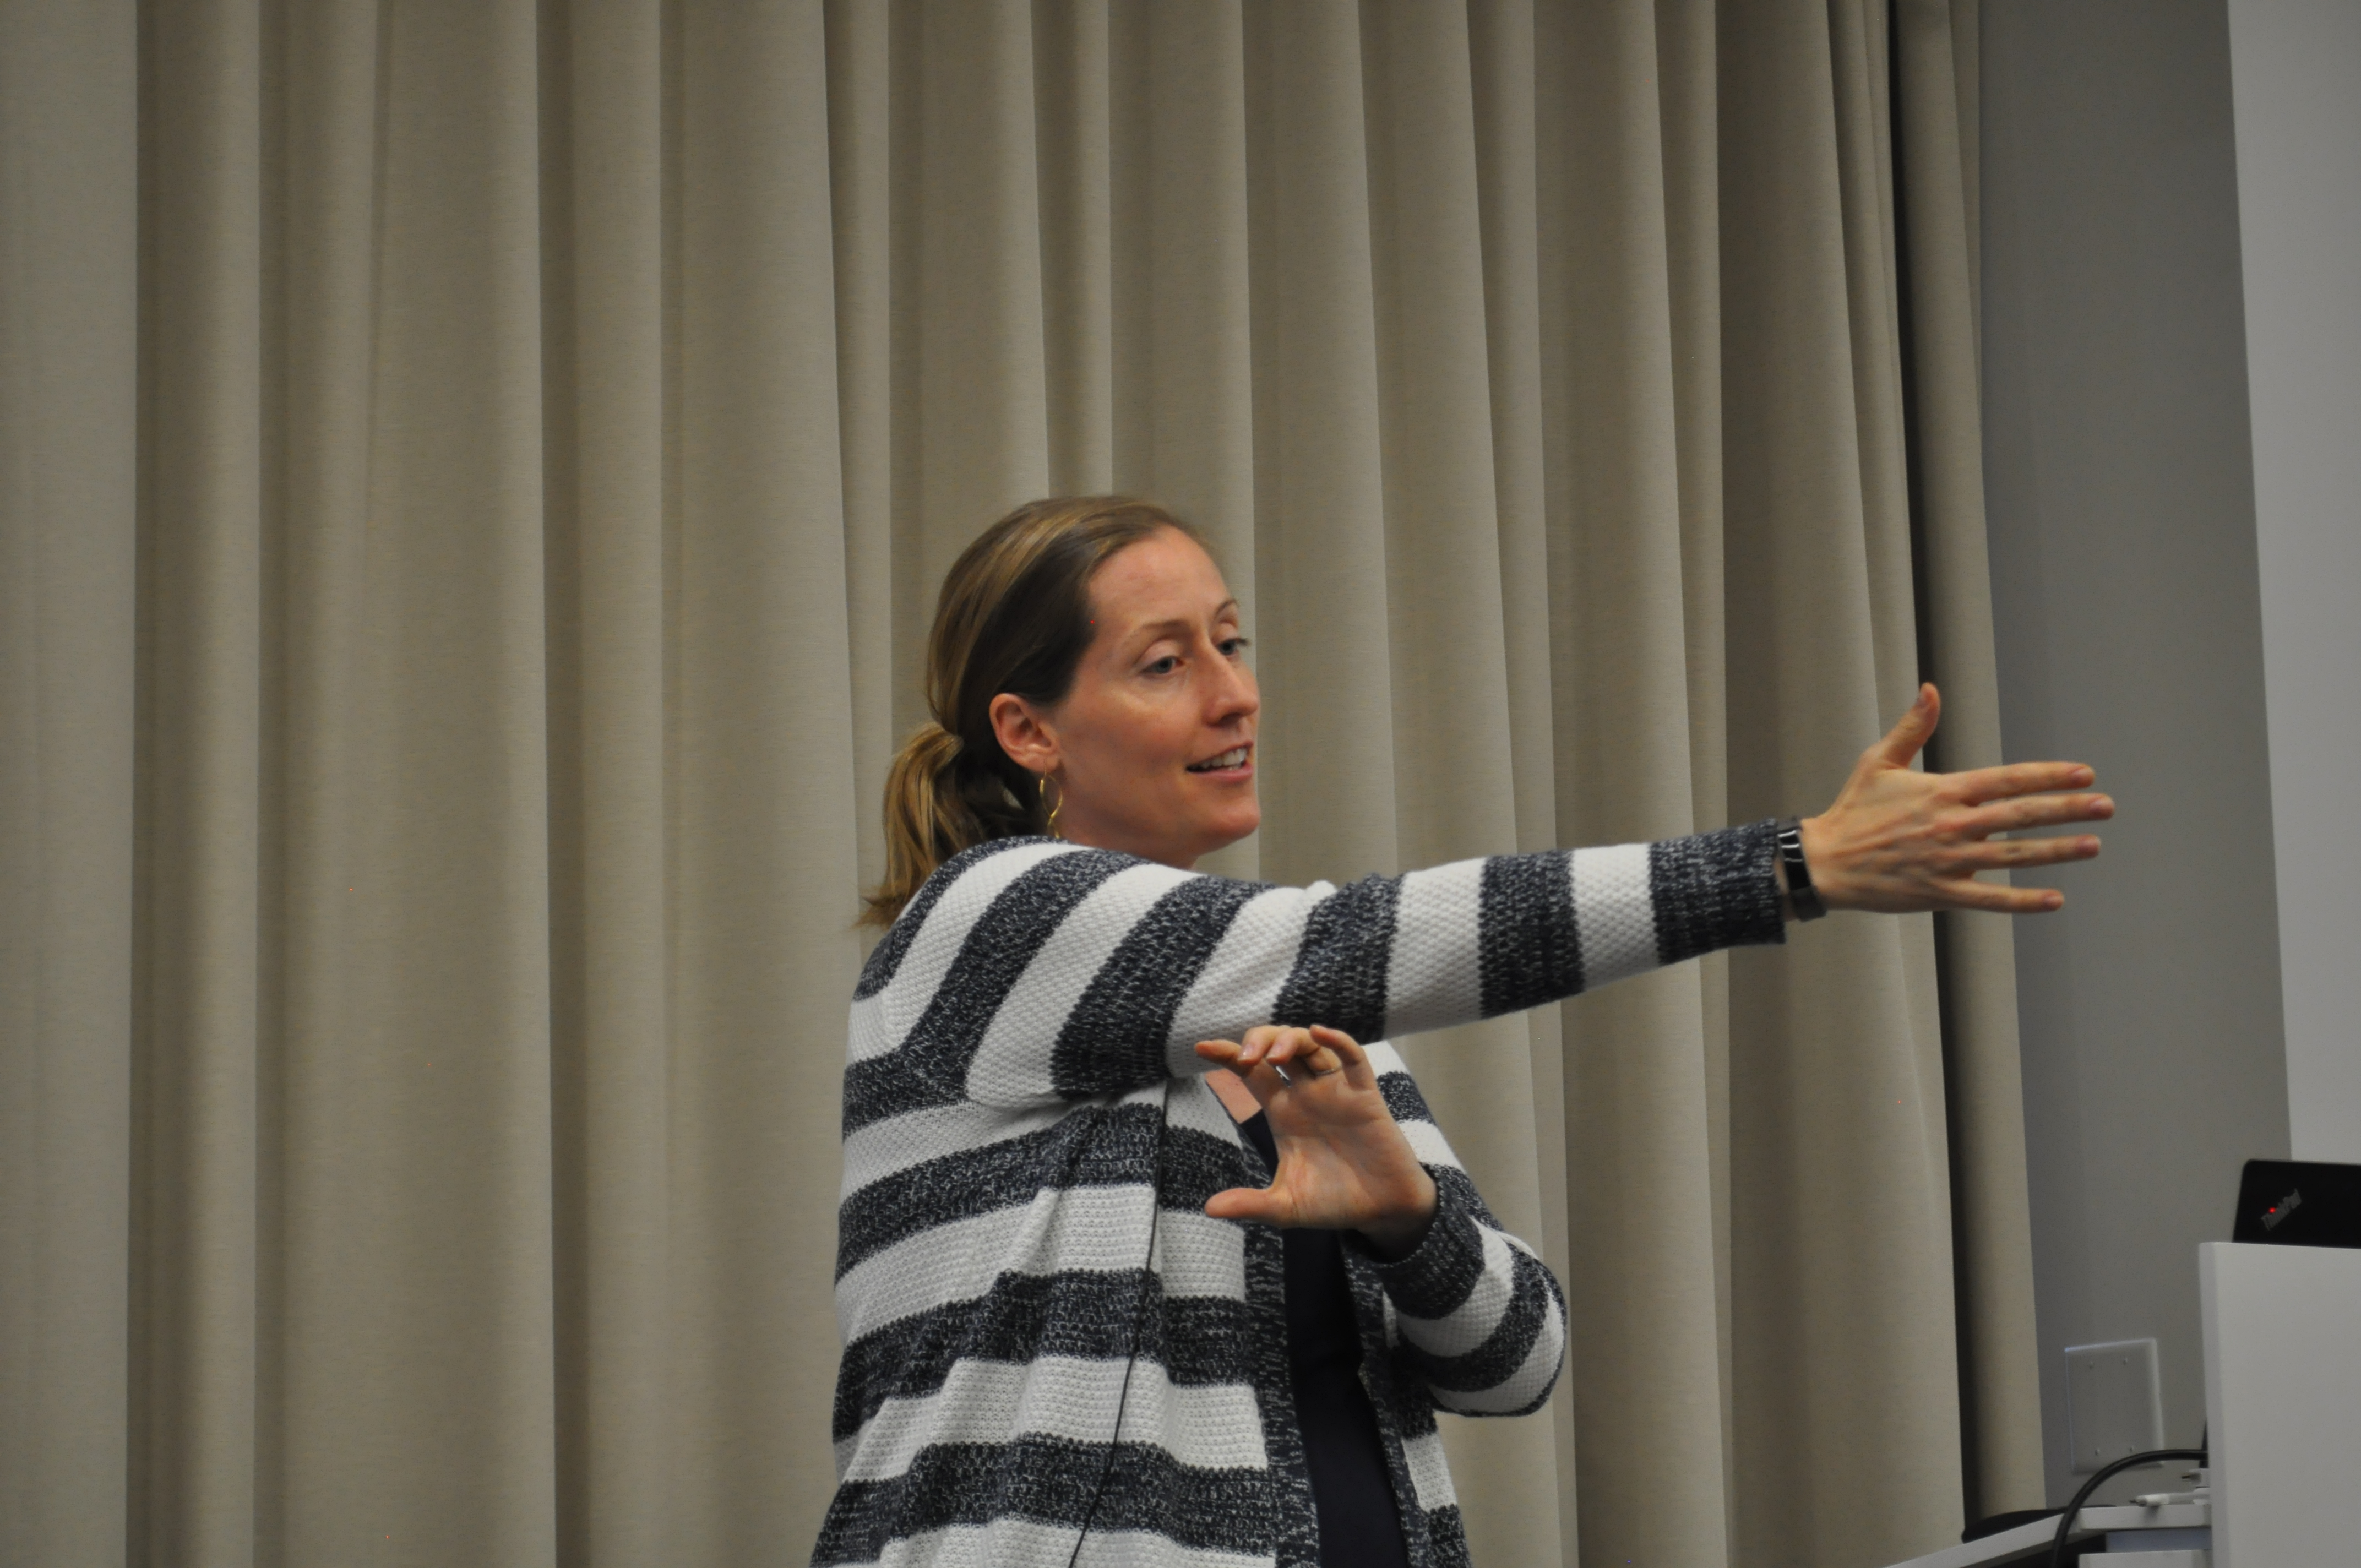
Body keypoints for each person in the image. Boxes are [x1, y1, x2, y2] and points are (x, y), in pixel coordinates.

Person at [814, 497, 2109, 1568]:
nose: (1234, 695)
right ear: (1028, 728)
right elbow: (1367, 933)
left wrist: (1402, 1217)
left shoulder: (1302, 1021)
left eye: (1230, 642)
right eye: (1166, 663)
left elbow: (1514, 1359)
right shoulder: (989, 916)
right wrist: (1788, 864)